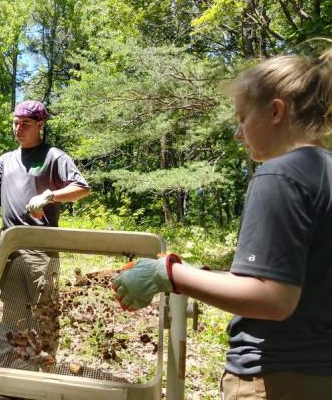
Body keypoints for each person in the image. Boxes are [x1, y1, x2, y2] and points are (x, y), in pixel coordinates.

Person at [113, 49, 332, 398]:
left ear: (277, 111)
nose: (238, 134)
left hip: (275, 376)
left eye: (242, 118)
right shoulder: (324, 174)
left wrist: (167, 274)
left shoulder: (280, 174)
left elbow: (274, 298)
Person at [0, 100, 89, 352]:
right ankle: (13, 370)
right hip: (9, 248)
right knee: (13, 313)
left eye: (25, 124)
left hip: (42, 249)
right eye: (16, 123)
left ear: (40, 125)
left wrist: (50, 195)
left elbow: (81, 188)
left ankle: (43, 371)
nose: (18, 129)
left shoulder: (53, 156)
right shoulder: (7, 159)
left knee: (44, 312)